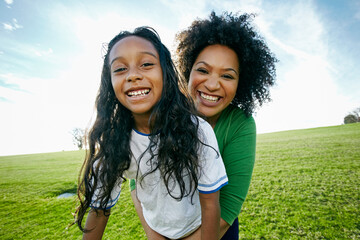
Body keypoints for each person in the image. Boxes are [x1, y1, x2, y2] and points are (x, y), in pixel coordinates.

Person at [132, 11, 277, 239]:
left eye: (227, 76)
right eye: (203, 70)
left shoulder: (240, 124)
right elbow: (137, 180)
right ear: (187, 70)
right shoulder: (160, 112)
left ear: (241, 82)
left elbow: (227, 206)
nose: (211, 84)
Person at [74, 27, 228, 240]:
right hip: (156, 230)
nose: (133, 75)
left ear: (165, 73)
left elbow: (210, 204)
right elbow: (99, 211)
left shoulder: (198, 130)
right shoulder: (113, 141)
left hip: (196, 228)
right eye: (119, 69)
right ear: (110, 83)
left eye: (146, 64)